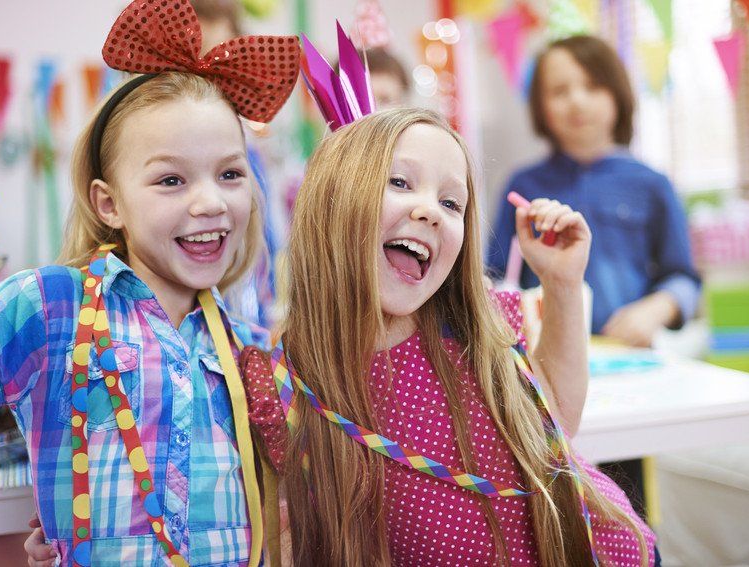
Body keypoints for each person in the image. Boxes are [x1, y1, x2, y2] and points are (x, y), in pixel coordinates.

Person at [0, 1, 300, 564]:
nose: (211, 202)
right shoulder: (47, 306)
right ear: (109, 202)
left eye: (230, 173)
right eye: (171, 179)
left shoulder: (255, 352)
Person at [242, 108, 657, 565]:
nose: (431, 212)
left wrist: (561, 284)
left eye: (451, 203)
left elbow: (557, 417)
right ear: (330, 202)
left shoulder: (468, 329)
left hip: (609, 550)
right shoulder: (282, 380)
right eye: (400, 183)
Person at [486, 35, 700, 350]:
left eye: (593, 86)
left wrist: (656, 309)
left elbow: (684, 279)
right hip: (543, 357)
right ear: (540, 107)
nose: (577, 101)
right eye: (559, 91)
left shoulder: (652, 184)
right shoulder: (522, 186)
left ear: (618, 94)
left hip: (630, 356)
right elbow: (494, 275)